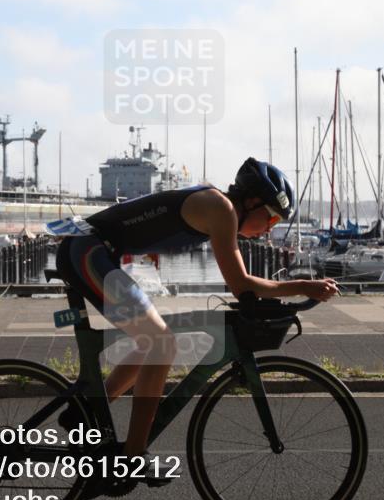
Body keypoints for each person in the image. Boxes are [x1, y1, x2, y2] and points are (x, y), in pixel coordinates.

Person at [55, 157, 339, 458]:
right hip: (86, 253)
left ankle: (87, 410)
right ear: (252, 202)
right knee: (162, 343)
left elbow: (241, 283)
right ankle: (134, 454)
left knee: (155, 340)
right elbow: (240, 283)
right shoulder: (221, 208)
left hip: (94, 251)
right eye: (271, 219)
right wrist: (302, 286)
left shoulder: (220, 207)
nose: (269, 230)